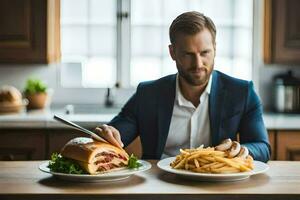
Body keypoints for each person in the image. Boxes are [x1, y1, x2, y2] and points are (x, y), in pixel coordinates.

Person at [95, 11, 271, 162]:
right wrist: (108, 134)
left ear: (215, 49)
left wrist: (241, 150)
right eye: (188, 54)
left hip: (217, 185)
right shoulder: (148, 94)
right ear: (172, 52)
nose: (198, 64)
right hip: (159, 185)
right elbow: (115, 134)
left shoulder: (242, 92)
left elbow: (262, 147)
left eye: (205, 53)